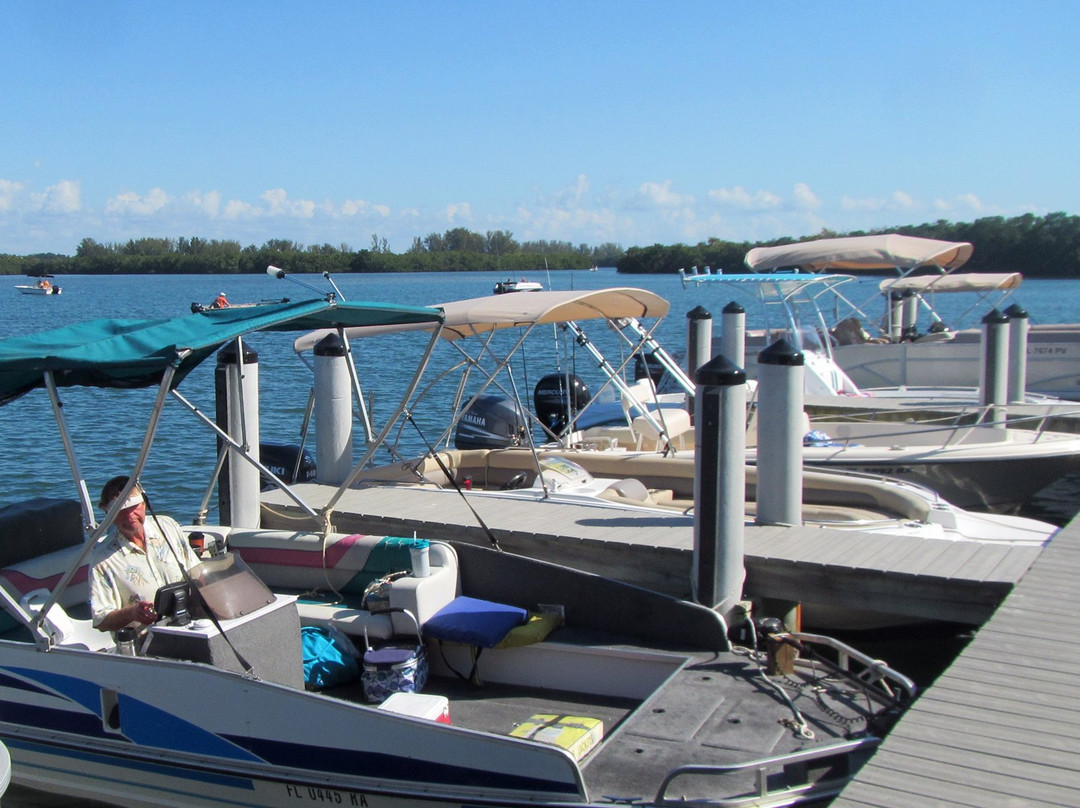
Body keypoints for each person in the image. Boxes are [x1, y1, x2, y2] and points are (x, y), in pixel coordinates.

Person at [89, 476, 202, 633]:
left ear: (144, 503)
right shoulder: (101, 560)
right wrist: (133, 613)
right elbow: (101, 621)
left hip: (192, 626)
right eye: (120, 510)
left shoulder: (168, 526)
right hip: (145, 644)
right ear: (107, 513)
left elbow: (198, 574)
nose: (129, 515)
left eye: (134, 506)